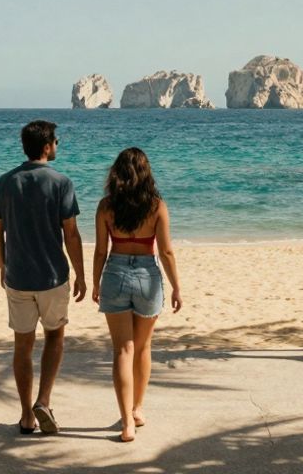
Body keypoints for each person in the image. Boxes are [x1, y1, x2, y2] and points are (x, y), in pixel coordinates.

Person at [0, 120, 86, 436]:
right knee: (55, 336)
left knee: (22, 344)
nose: (57, 146)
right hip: (52, 276)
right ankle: (43, 400)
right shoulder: (61, 182)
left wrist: (3, 265)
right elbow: (70, 234)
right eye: (56, 141)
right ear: (47, 146)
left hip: (17, 277)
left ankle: (26, 415)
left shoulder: (5, 182)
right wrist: (82, 274)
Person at [91, 147, 182, 443]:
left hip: (115, 273)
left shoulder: (106, 206)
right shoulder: (156, 206)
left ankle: (127, 422)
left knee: (122, 350)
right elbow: (166, 252)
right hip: (147, 275)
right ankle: (138, 409)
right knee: (142, 348)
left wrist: (95, 282)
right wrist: (177, 286)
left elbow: (101, 251)